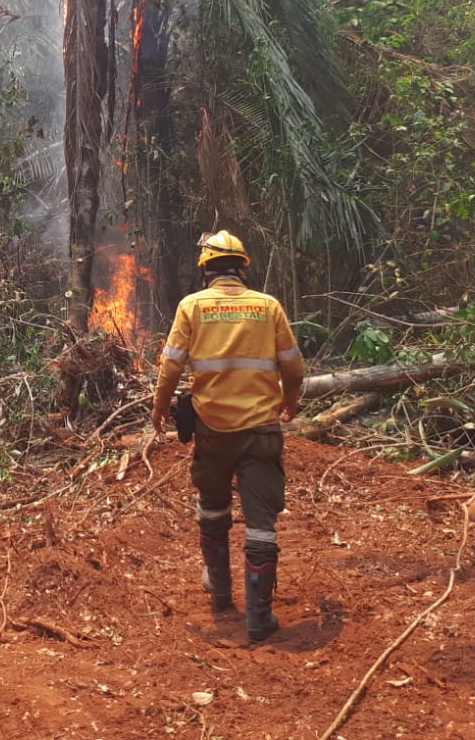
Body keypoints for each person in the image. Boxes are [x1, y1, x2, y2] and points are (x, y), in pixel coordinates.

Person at [151, 230, 304, 642]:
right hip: (261, 429)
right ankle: (259, 617)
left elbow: (170, 368)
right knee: (261, 522)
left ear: (205, 270)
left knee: (213, 506)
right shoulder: (267, 306)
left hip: (212, 430)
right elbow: (294, 369)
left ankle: (220, 594)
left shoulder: (192, 307)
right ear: (242, 268)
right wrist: (290, 403)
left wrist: (160, 407)